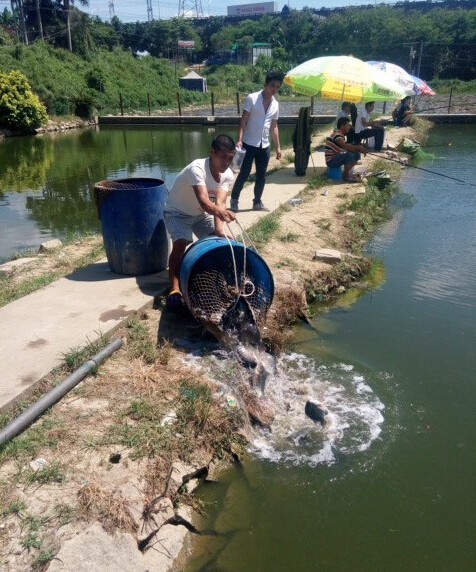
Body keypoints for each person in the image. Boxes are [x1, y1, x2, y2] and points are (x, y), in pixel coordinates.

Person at [163, 134, 236, 310]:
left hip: (201, 215)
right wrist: (222, 212)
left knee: (219, 242)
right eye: (222, 157)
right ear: (212, 152)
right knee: (181, 243)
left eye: (230, 158)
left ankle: (212, 278)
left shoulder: (227, 174)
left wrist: (219, 230)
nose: (226, 163)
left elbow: (220, 202)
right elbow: (204, 201)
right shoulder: (197, 169)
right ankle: (174, 289)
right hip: (178, 212)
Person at [229, 70, 285, 213]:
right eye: (272, 85)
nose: (274, 89)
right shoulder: (252, 98)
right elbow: (244, 120)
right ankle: (234, 200)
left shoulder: (276, 105)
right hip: (249, 143)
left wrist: (278, 147)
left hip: (264, 145)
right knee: (244, 173)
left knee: (261, 175)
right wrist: (240, 139)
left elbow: (274, 126)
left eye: (278, 87)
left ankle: (257, 202)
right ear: (266, 84)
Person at [325, 117, 366, 183]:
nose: (349, 127)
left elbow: (347, 147)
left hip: (336, 158)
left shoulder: (340, 135)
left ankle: (345, 173)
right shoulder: (336, 135)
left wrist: (357, 149)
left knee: (356, 154)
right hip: (331, 161)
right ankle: (346, 176)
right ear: (342, 126)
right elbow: (344, 146)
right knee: (349, 155)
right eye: (347, 125)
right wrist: (358, 147)